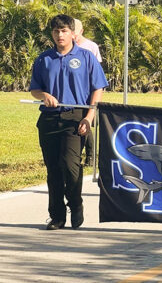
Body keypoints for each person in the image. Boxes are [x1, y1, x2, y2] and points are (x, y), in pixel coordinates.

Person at [30, 14, 108, 230]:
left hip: (76, 118)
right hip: (49, 118)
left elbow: (98, 88)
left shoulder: (86, 57)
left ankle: (76, 204)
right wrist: (43, 95)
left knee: (71, 166)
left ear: (73, 33)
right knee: (53, 169)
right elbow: (35, 89)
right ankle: (56, 216)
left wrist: (89, 117)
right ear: (51, 34)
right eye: (56, 31)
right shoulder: (44, 59)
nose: (60, 35)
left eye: (64, 31)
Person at [72, 19, 102, 166]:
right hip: (75, 92)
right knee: (79, 123)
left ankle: (91, 156)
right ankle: (77, 154)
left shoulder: (91, 47)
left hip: (89, 91)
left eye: (75, 34)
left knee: (87, 121)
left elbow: (98, 72)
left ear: (81, 31)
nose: (73, 38)